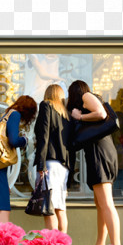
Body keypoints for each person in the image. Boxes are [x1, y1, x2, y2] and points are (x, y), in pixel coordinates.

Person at [67, 80, 120, 245]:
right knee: (101, 205)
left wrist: (79, 116)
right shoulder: (87, 100)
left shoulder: (86, 95)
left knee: (107, 204)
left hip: (100, 156)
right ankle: (100, 244)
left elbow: (101, 114)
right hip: (102, 154)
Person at [0, 95, 38, 223]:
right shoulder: (15, 115)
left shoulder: (7, 114)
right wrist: (24, 140)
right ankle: (2, 239)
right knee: (2, 204)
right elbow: (13, 140)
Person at [33, 84, 74, 232]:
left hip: (49, 163)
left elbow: (44, 137)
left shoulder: (46, 105)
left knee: (48, 206)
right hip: (63, 167)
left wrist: (40, 165)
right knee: (60, 207)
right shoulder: (66, 114)